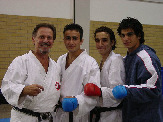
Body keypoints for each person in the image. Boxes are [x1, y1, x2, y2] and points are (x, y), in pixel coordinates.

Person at [1, 23, 61, 122]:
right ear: (34, 39)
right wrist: (23, 90)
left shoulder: (56, 66)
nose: (45, 40)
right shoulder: (21, 61)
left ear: (53, 41)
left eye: (49, 38)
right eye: (42, 37)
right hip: (24, 118)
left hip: (48, 118)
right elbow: (6, 87)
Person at [112, 17, 162, 122]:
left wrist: (126, 90)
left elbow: (153, 88)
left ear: (139, 35)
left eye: (130, 34)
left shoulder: (147, 57)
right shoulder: (127, 58)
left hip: (147, 117)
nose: (125, 38)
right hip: (131, 116)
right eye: (123, 35)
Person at [55, 23, 101, 122]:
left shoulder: (90, 62)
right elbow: (55, 84)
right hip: (59, 113)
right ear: (63, 40)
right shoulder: (61, 60)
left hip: (78, 114)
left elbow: (93, 93)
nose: (71, 42)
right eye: (68, 38)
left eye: (75, 38)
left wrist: (76, 101)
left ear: (81, 41)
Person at [84, 26, 125, 122]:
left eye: (104, 40)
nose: (100, 44)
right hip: (102, 113)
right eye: (97, 40)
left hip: (112, 115)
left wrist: (99, 91)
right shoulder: (103, 61)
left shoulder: (115, 60)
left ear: (112, 42)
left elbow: (117, 92)